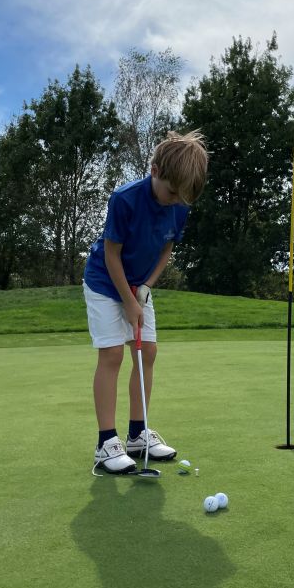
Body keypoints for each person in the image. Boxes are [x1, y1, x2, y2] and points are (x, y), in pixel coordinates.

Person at [83, 130, 209, 473]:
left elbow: (167, 247)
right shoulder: (124, 199)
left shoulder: (178, 205)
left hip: (138, 286)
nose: (173, 201)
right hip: (104, 281)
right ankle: (106, 444)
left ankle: (138, 435)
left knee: (147, 351)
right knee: (112, 354)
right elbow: (111, 256)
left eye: (181, 198)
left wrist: (147, 287)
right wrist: (128, 299)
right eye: (171, 192)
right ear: (154, 170)